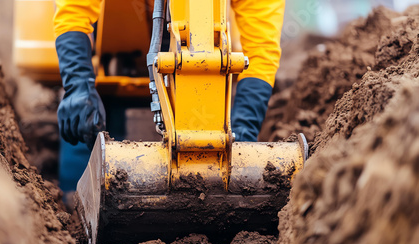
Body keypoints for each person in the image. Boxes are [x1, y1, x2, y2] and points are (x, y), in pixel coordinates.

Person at [53, 0, 285, 188]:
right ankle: (73, 198)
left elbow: (260, 51)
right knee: (83, 126)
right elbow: (75, 10)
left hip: (195, 52)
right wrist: (77, 83)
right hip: (114, 39)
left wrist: (244, 131)